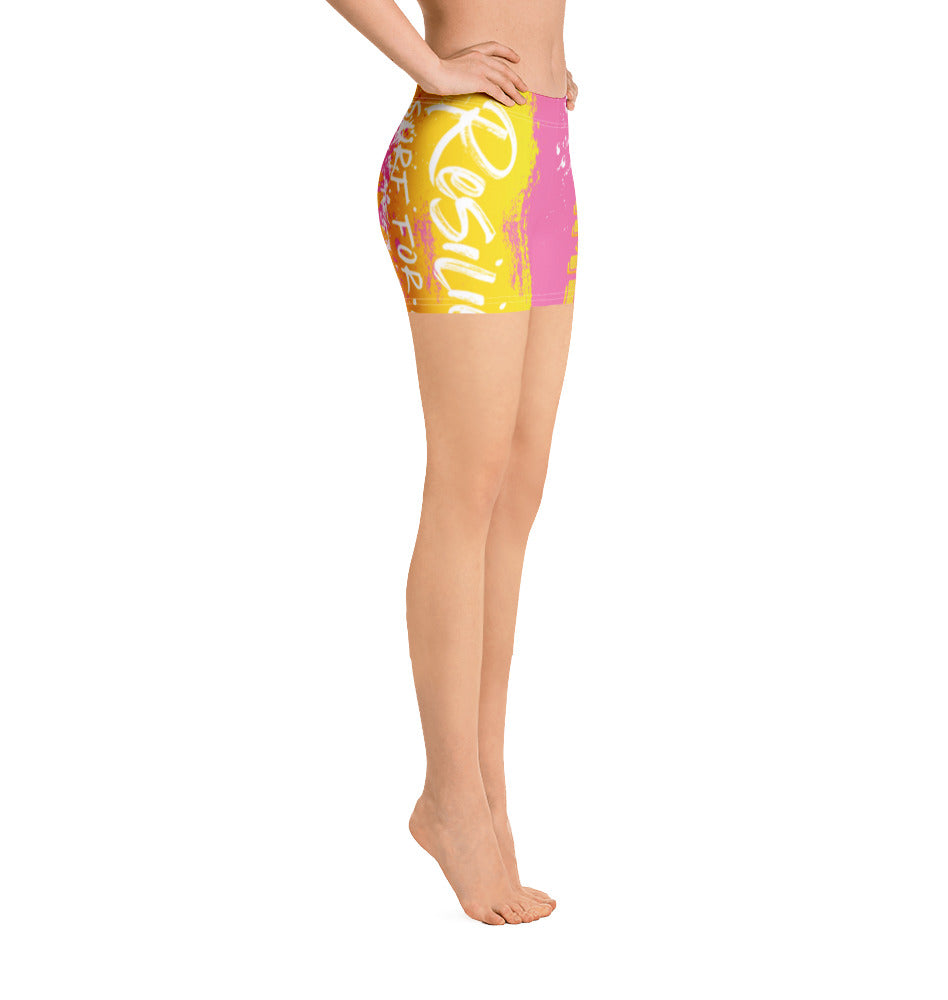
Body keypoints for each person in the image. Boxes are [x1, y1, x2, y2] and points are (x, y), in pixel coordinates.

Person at [326, 0, 580, 925]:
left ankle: (486, 787)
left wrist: (553, 67)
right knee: (467, 485)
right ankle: (451, 799)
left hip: (544, 143)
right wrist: (430, 67)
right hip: (465, 155)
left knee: (517, 490)